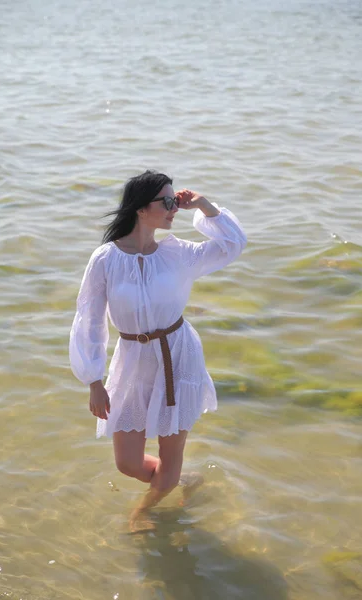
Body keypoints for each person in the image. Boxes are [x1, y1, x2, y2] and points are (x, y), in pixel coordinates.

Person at [69, 170, 247, 531]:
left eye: (174, 202)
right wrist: (93, 380)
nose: (173, 209)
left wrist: (203, 204)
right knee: (128, 463)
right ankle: (181, 481)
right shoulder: (105, 259)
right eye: (166, 202)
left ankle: (143, 512)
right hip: (132, 359)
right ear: (139, 209)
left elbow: (233, 244)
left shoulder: (178, 253)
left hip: (178, 355)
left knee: (171, 455)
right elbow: (88, 319)